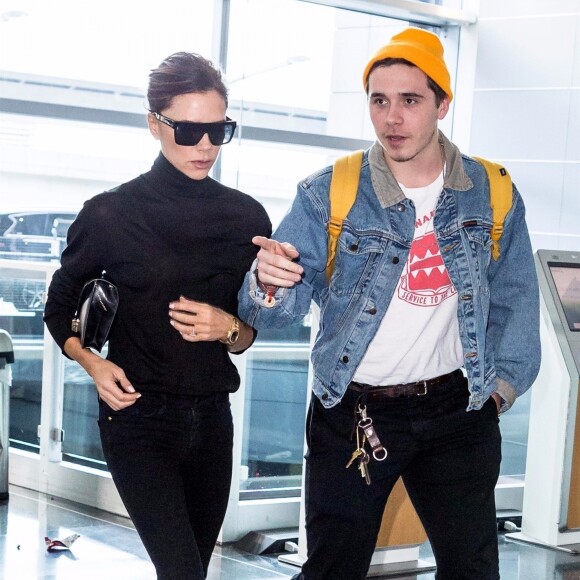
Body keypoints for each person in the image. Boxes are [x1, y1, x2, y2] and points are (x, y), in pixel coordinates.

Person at [238, 27, 540, 580]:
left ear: (441, 105)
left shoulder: (490, 189)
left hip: (459, 407)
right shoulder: (329, 191)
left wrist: (499, 393)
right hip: (354, 409)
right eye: (380, 100)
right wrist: (269, 281)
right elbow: (272, 310)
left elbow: (516, 295)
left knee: (474, 569)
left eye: (410, 101)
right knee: (333, 567)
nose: (392, 118)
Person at [44, 52, 271, 579]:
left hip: (213, 419)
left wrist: (229, 327)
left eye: (218, 130)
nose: (206, 146)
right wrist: (93, 364)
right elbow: (58, 309)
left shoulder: (246, 216)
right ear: (155, 124)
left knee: (191, 569)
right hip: (137, 419)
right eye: (190, 130)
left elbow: (248, 332)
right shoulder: (110, 214)